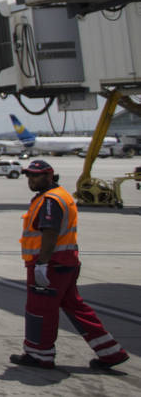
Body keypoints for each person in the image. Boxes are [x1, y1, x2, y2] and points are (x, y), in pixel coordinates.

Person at [10, 159, 129, 371]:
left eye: (35, 175)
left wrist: (41, 264)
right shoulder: (58, 196)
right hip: (66, 262)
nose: (31, 179)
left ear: (49, 176)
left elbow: (50, 233)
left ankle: (39, 355)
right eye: (28, 175)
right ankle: (110, 352)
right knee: (76, 308)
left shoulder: (50, 201)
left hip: (51, 264)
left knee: (40, 310)